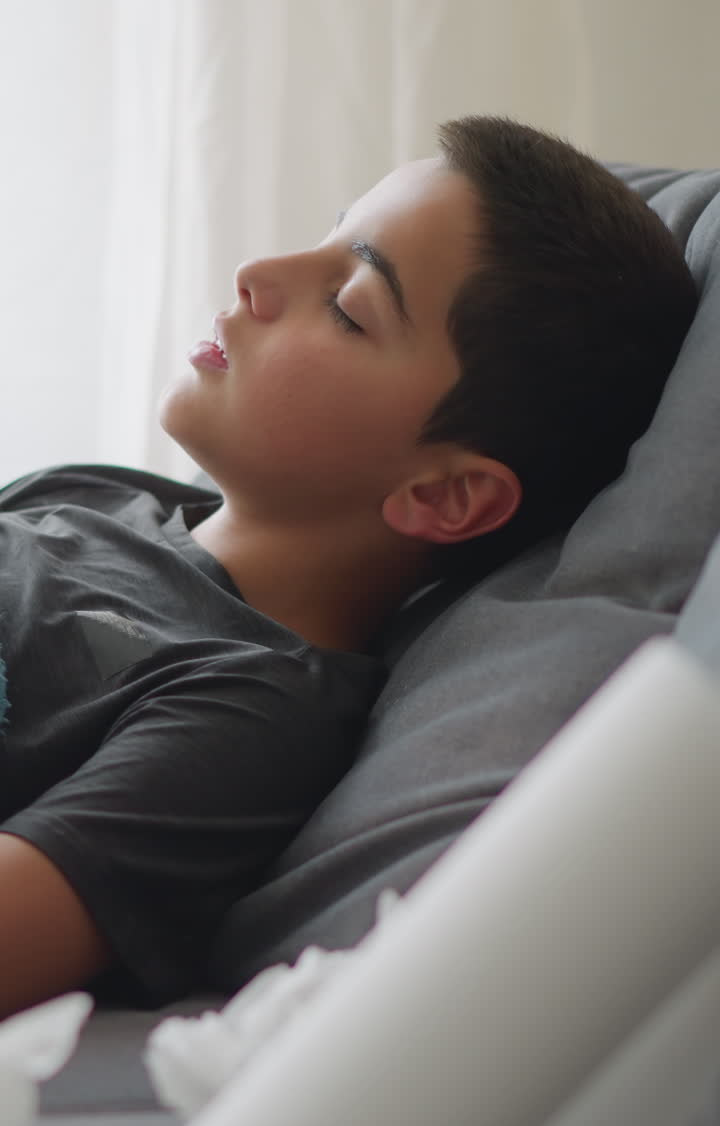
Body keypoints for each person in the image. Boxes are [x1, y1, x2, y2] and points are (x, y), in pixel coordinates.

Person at [0, 115, 697, 1019]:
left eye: (349, 304)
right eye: (324, 235)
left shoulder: (250, 712)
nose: (258, 275)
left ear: (446, 495)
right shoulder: (98, 494)